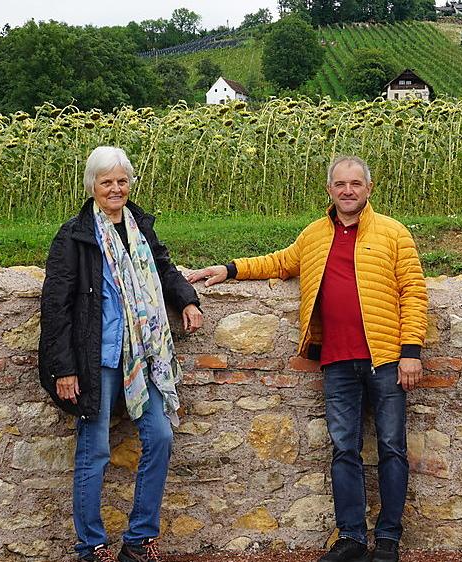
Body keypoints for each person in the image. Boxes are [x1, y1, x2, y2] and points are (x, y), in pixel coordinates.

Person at [188, 156, 428, 562]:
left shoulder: (394, 234)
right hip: (336, 361)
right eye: (340, 184)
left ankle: (388, 539)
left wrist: (411, 352)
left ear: (369, 189)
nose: (348, 191)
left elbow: (414, 293)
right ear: (329, 190)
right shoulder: (315, 235)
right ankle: (351, 537)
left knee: (391, 448)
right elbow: (279, 263)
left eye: (355, 184)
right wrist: (229, 269)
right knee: (344, 450)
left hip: (385, 359)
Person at [38, 146, 203, 562]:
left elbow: (162, 269)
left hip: (141, 355)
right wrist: (63, 367)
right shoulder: (75, 236)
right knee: (94, 450)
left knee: (161, 436)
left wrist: (186, 300)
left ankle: (138, 539)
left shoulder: (139, 228)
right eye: (106, 181)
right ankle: (90, 546)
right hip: (96, 360)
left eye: (122, 181)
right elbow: (55, 306)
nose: (115, 189)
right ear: (92, 185)